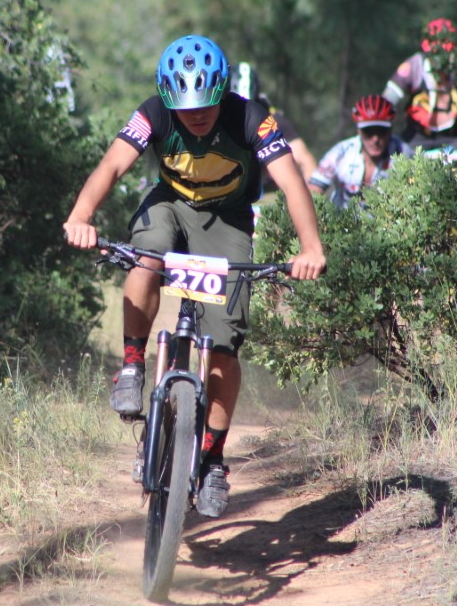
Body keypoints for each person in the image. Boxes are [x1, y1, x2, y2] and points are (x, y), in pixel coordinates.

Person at [63, 35, 326, 518]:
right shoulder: (154, 113)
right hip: (169, 204)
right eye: (185, 109)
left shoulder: (251, 118)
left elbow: (292, 183)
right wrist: (81, 217)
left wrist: (311, 248)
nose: (197, 115)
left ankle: (212, 459)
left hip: (227, 219)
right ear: (168, 100)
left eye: (206, 105)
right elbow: (112, 166)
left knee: (223, 343)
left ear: (222, 92)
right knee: (148, 254)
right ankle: (132, 365)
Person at [382, 17, 457, 163]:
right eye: (435, 53)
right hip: (416, 137)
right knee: (401, 167)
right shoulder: (413, 67)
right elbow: (385, 104)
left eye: (446, 53)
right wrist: (379, 138)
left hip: (455, 138)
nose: (441, 60)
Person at [308, 95, 413, 208]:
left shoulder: (405, 153)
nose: (375, 139)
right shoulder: (341, 152)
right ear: (358, 130)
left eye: (381, 131)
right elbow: (313, 191)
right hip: (341, 217)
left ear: (391, 129)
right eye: (368, 131)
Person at [230, 62, 319, 183]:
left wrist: (313, 192)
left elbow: (306, 162)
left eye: (250, 107)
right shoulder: (212, 120)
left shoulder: (273, 122)